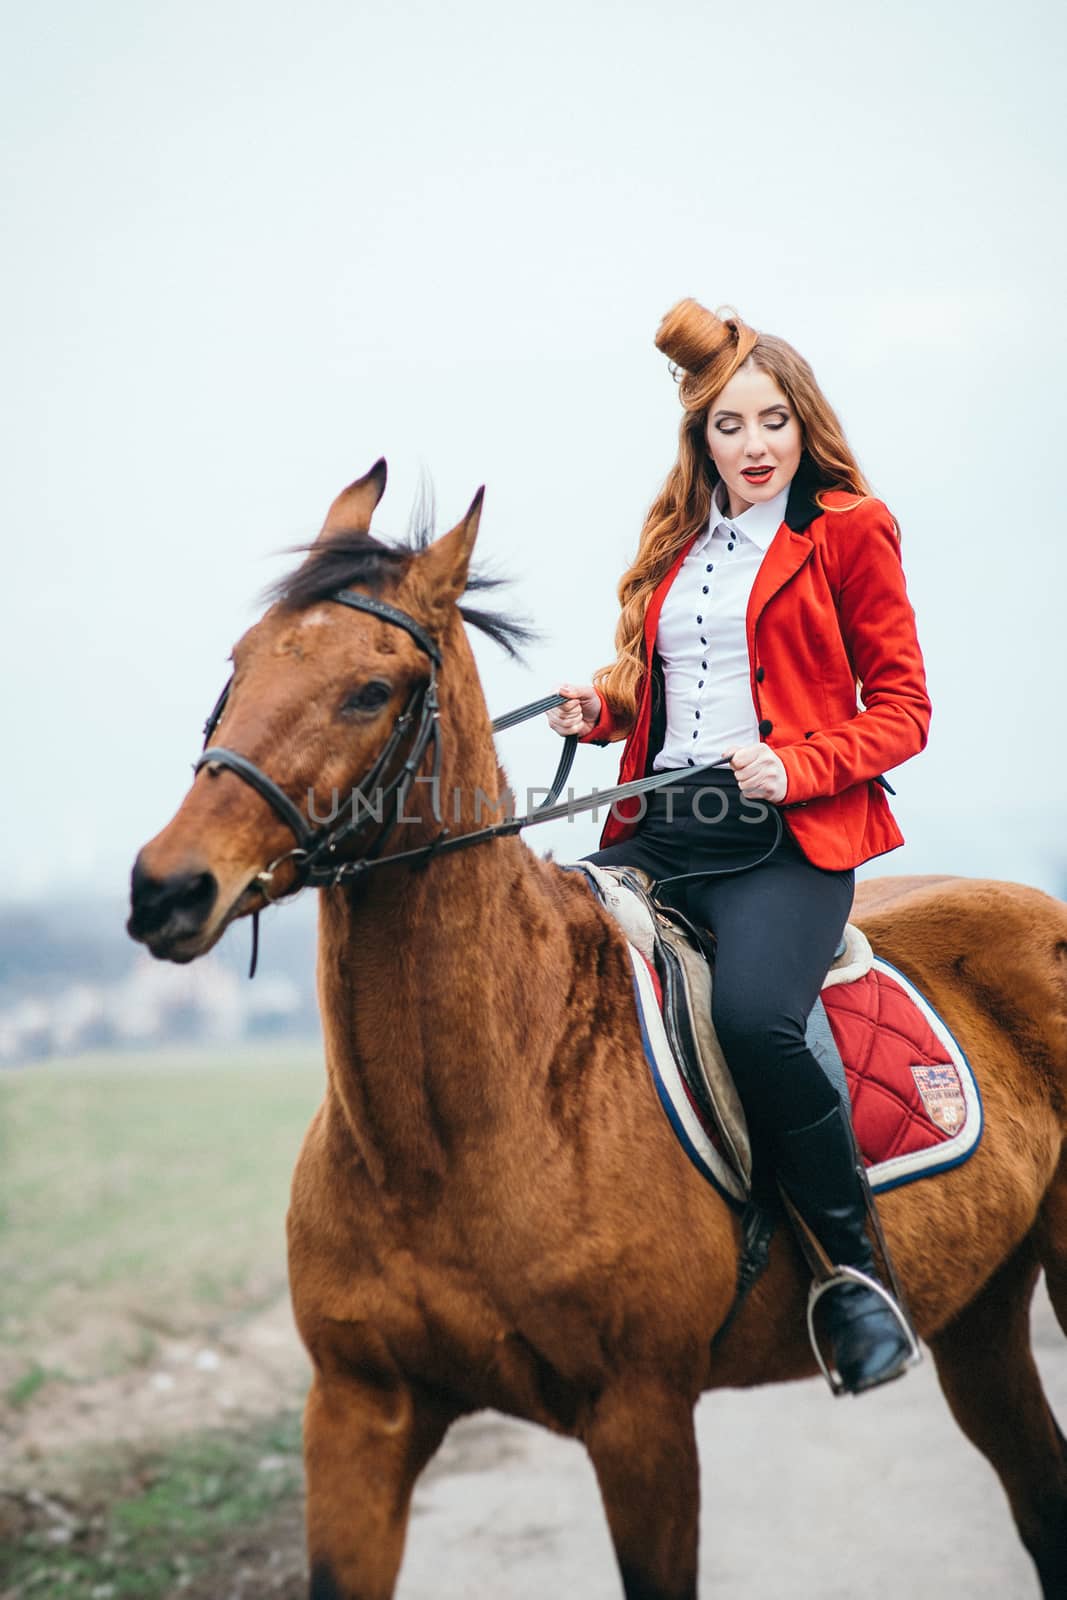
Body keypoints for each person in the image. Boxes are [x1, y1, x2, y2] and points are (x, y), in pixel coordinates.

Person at [547, 297, 931, 1395]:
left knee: (755, 1018)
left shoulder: (850, 528)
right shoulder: (677, 538)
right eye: (727, 425)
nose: (752, 445)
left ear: (801, 425)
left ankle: (853, 1278)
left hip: (782, 843)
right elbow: (670, 691)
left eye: (771, 421)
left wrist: (795, 763)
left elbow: (902, 708)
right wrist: (603, 708)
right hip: (658, 830)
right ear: (697, 437)